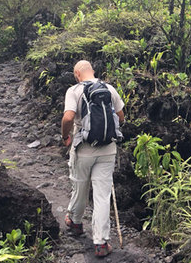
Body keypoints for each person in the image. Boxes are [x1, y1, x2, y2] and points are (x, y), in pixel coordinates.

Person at [61, 60, 125, 258]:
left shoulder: (74, 90)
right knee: (102, 196)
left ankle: (76, 222)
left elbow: (68, 117)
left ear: (77, 74)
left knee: (80, 187)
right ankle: (101, 243)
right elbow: (121, 117)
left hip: (83, 148)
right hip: (107, 149)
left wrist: (66, 136)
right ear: (92, 71)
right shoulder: (109, 88)